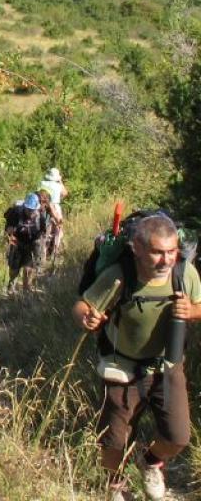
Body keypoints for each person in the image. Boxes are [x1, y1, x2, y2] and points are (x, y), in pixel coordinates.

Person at [72, 215, 201, 501]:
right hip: (122, 366)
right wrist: (88, 318)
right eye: (157, 252)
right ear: (137, 249)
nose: (166, 259)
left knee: (178, 436)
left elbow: (199, 305)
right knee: (114, 439)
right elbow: (83, 304)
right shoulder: (120, 275)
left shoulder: (185, 272)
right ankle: (115, 484)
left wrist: (191, 312)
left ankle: (151, 461)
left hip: (167, 364)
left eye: (171, 251)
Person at [4, 192, 48, 293]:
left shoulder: (40, 217)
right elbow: (8, 228)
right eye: (28, 209)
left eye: (32, 209)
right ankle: (11, 284)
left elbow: (42, 232)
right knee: (14, 268)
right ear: (24, 207)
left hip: (33, 242)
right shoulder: (16, 213)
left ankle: (26, 289)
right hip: (17, 241)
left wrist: (40, 247)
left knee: (29, 268)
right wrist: (10, 233)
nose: (30, 212)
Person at [39, 167, 67, 259]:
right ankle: (55, 251)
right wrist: (60, 181)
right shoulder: (58, 185)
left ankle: (43, 252)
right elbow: (65, 193)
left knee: (44, 231)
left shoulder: (42, 183)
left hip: (43, 207)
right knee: (58, 230)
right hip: (55, 207)